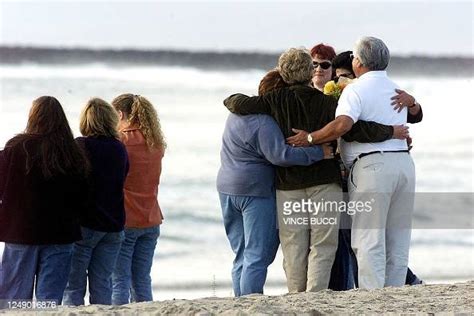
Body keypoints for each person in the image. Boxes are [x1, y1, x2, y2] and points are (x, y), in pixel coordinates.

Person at [223, 48, 405, 293]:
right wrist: (390, 132)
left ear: (283, 72)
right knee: (323, 244)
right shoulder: (328, 103)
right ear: (310, 71)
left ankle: (296, 296)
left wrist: (231, 100)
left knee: (293, 246)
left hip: (288, 186)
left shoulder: (272, 101)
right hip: (324, 183)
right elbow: (355, 129)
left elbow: (237, 102)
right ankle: (315, 295)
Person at [294, 37, 421, 289]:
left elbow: (344, 126)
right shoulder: (396, 88)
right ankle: (395, 295)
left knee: (368, 239)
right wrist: (414, 104)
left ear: (360, 62)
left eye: (354, 58)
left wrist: (310, 138)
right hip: (404, 165)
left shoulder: (355, 89)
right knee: (397, 238)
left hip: (373, 167)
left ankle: (373, 297)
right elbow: (414, 115)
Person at [218, 69, 334, 297]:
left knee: (241, 252)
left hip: (226, 186)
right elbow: (280, 155)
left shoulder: (234, 116)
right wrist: (319, 153)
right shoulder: (264, 122)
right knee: (257, 254)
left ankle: (240, 300)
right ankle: (250, 302)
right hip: (254, 189)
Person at [0, 96, 89, 305]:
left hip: (21, 233)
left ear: (33, 117)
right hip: (61, 233)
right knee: (49, 301)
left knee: (13, 299)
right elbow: (84, 196)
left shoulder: (16, 148)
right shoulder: (73, 152)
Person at [63, 98, 129, 306]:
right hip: (114, 225)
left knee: (73, 286)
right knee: (102, 284)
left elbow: (70, 182)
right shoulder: (119, 148)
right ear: (111, 120)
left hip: (86, 224)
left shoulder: (80, 145)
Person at [111, 94, 166, 304]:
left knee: (119, 280)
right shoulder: (156, 143)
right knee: (142, 279)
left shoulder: (120, 142)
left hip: (126, 218)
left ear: (119, 114)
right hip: (151, 217)